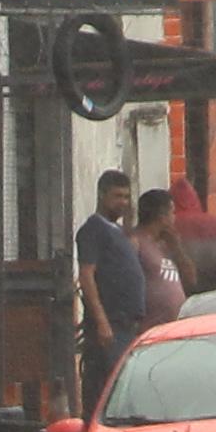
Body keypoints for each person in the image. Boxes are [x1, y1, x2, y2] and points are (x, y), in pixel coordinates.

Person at [73, 169, 146, 412]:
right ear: (102, 195)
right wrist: (102, 321)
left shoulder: (119, 232)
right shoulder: (93, 230)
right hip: (109, 327)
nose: (123, 203)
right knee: (105, 393)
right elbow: (86, 275)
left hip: (126, 325)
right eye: (117, 196)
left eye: (127, 197)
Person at [134, 185, 190, 327]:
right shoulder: (136, 242)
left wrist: (177, 249)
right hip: (151, 325)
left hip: (174, 324)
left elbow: (190, 278)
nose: (174, 218)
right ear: (161, 216)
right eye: (172, 213)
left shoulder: (167, 244)